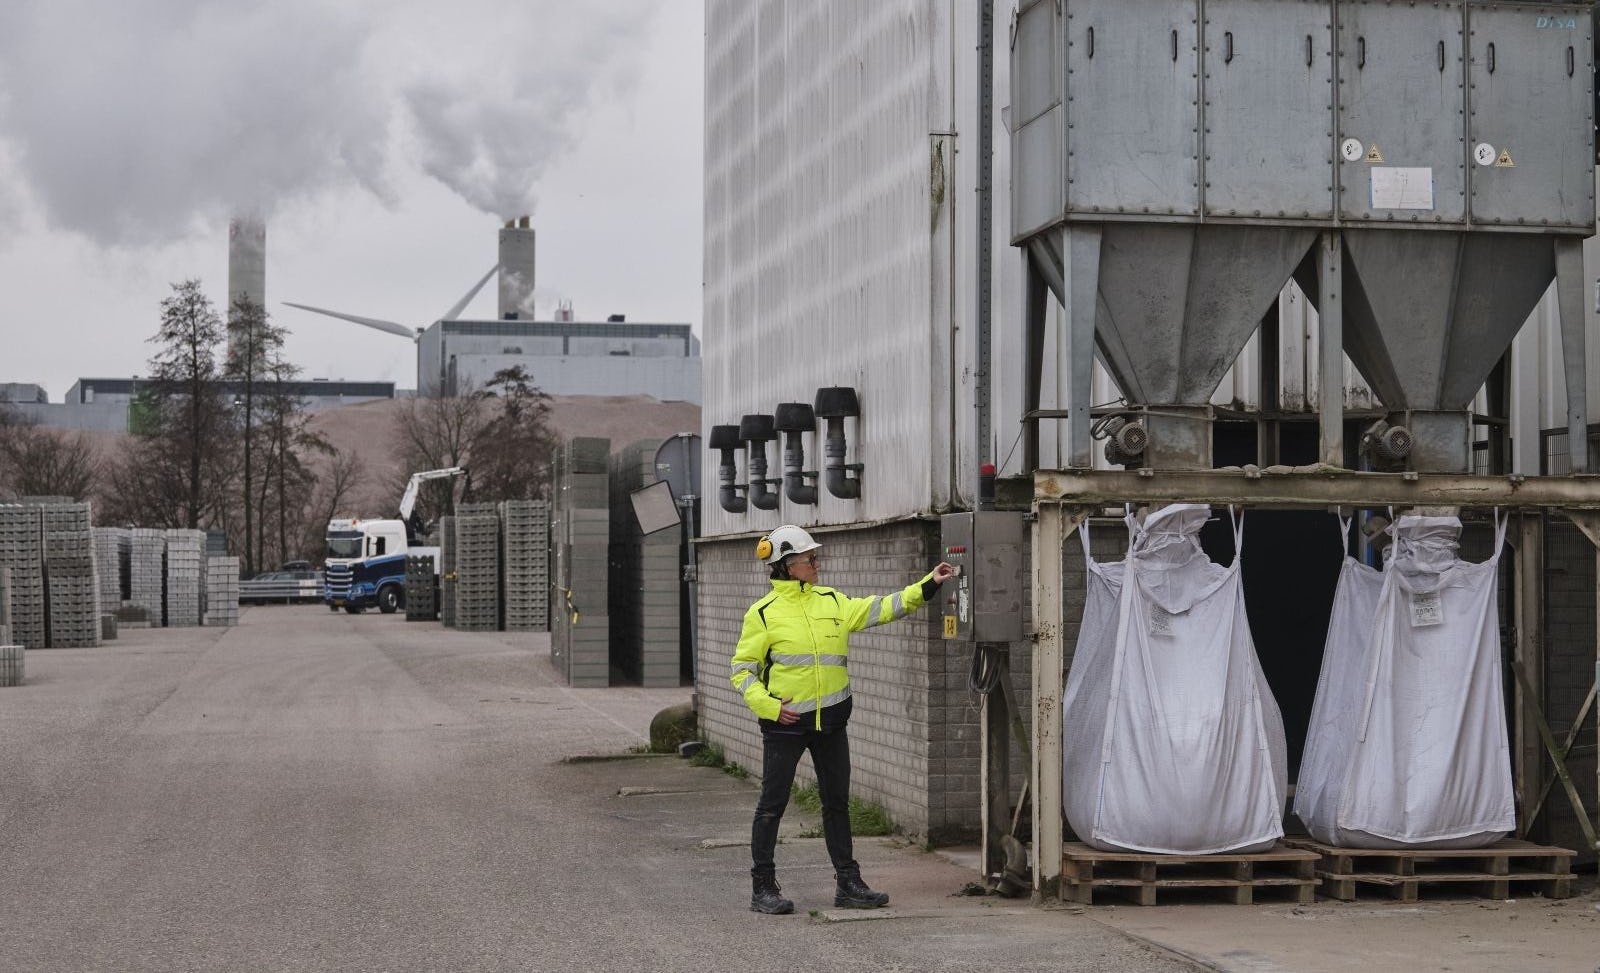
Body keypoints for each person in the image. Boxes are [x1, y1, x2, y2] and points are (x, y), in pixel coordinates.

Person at [729, 524, 956, 915]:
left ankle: (848, 883)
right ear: (786, 566)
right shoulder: (762, 614)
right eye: (809, 559)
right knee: (772, 804)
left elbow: (884, 607)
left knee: (837, 804)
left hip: (831, 723)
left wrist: (929, 584)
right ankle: (762, 887)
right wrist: (768, 706)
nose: (817, 564)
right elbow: (742, 671)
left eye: (815, 558)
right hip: (785, 724)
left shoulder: (833, 601)